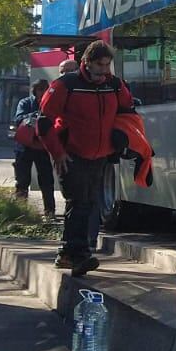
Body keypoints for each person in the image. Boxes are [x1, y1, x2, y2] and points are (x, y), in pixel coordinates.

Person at [40, 40, 134, 275]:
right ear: (87, 63)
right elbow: (43, 122)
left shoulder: (114, 85)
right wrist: (58, 153)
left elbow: (128, 111)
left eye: (107, 65)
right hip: (70, 155)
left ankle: (67, 253)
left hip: (100, 155)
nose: (104, 71)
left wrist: (123, 140)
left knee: (88, 203)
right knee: (80, 202)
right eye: (100, 65)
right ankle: (79, 254)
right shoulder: (66, 85)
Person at [11, 78, 56, 219]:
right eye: (40, 89)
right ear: (35, 90)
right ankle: (20, 212)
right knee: (22, 180)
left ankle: (50, 211)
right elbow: (19, 118)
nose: (42, 92)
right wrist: (35, 116)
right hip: (24, 146)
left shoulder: (51, 103)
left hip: (42, 146)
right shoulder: (25, 103)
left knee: (46, 180)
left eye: (45, 89)